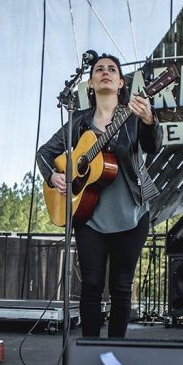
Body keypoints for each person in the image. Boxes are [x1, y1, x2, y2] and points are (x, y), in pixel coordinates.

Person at [36, 54, 160, 338]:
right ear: (90, 83)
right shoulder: (79, 121)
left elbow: (152, 146)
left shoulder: (134, 114)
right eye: (99, 70)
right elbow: (44, 153)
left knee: (121, 287)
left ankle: (117, 350)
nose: (105, 72)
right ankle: (88, 353)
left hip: (132, 213)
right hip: (89, 215)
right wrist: (52, 176)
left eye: (112, 70)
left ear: (120, 83)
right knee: (90, 285)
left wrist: (150, 119)